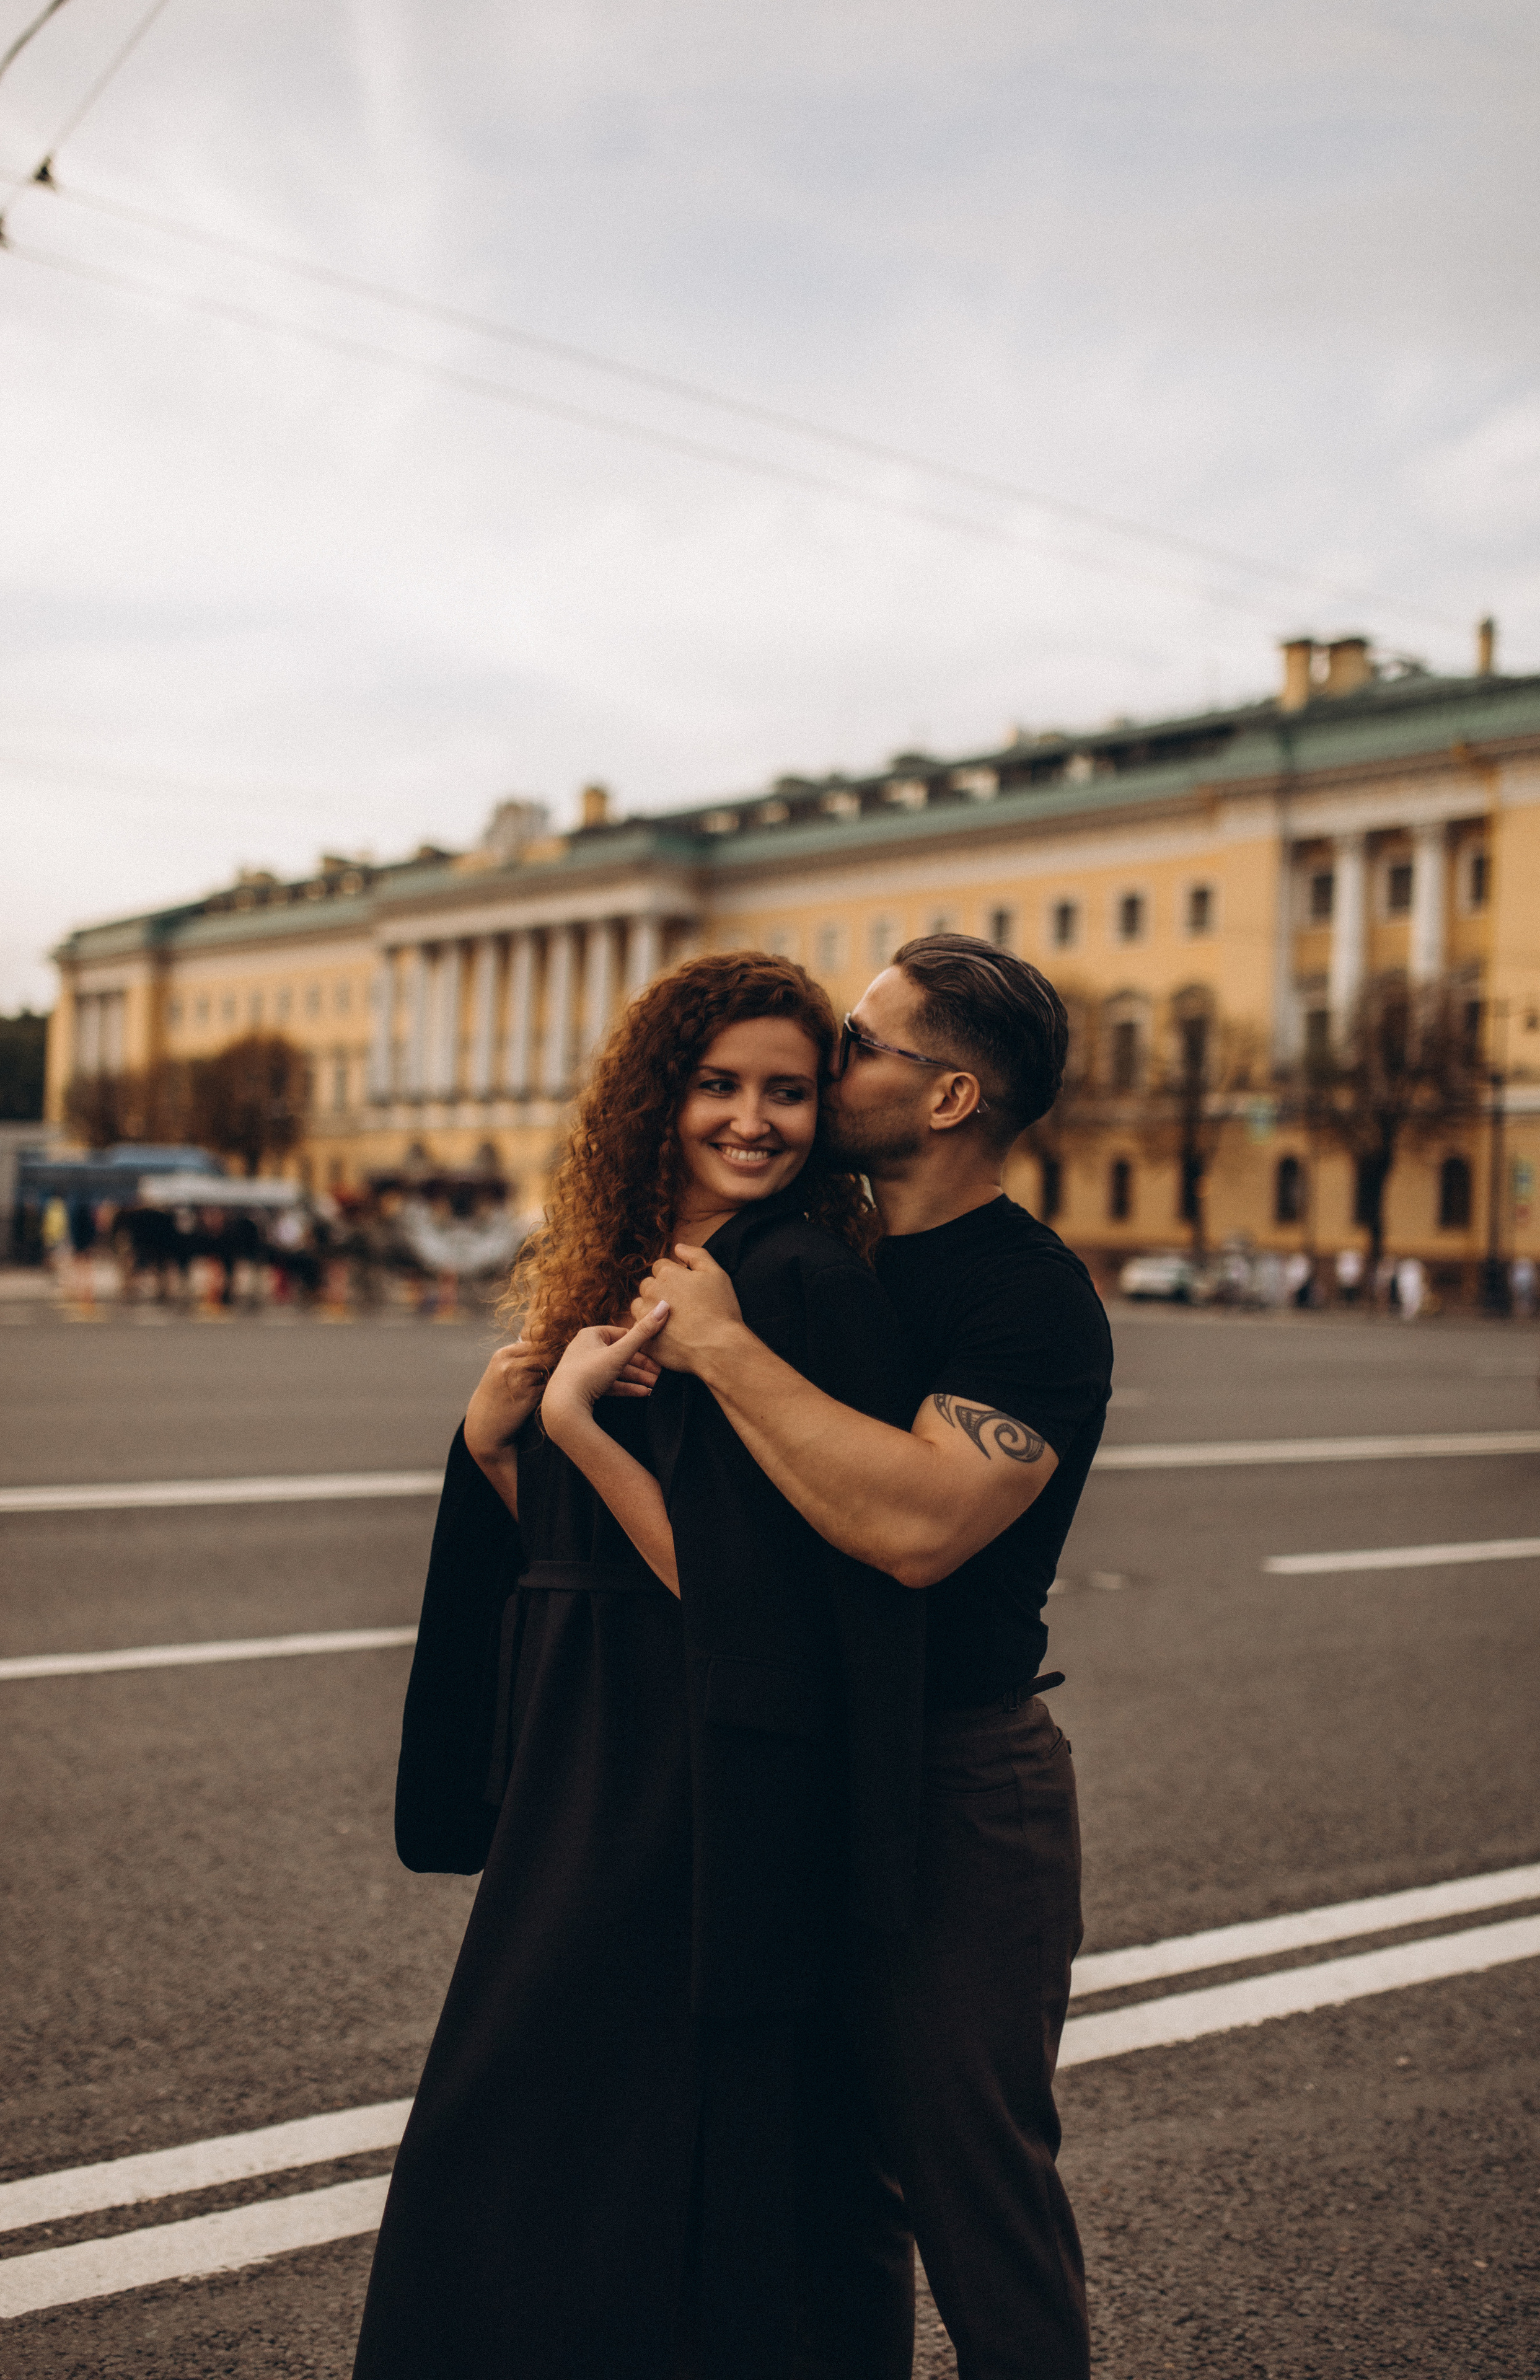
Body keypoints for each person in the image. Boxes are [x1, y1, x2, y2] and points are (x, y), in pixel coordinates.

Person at [354, 953, 924, 2380]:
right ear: (652, 1097)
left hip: (693, 1768)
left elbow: (756, 1599)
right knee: (547, 2127)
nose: (752, 1120)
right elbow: (571, 1558)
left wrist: (579, 1427)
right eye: (716, 1085)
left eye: (787, 1092)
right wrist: (499, 1444)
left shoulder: (793, 1281)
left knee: (597, 2140)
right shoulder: (632, 1268)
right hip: (588, 1742)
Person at [631, 933, 1112, 2380]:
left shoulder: (1026, 1295)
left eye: (857, 1040)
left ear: (950, 1097)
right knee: (814, 2183)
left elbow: (912, 1526)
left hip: (958, 1776)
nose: (821, 1063)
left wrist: (722, 1352)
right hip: (802, 1755)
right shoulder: (806, 1246)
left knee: (975, 2187)